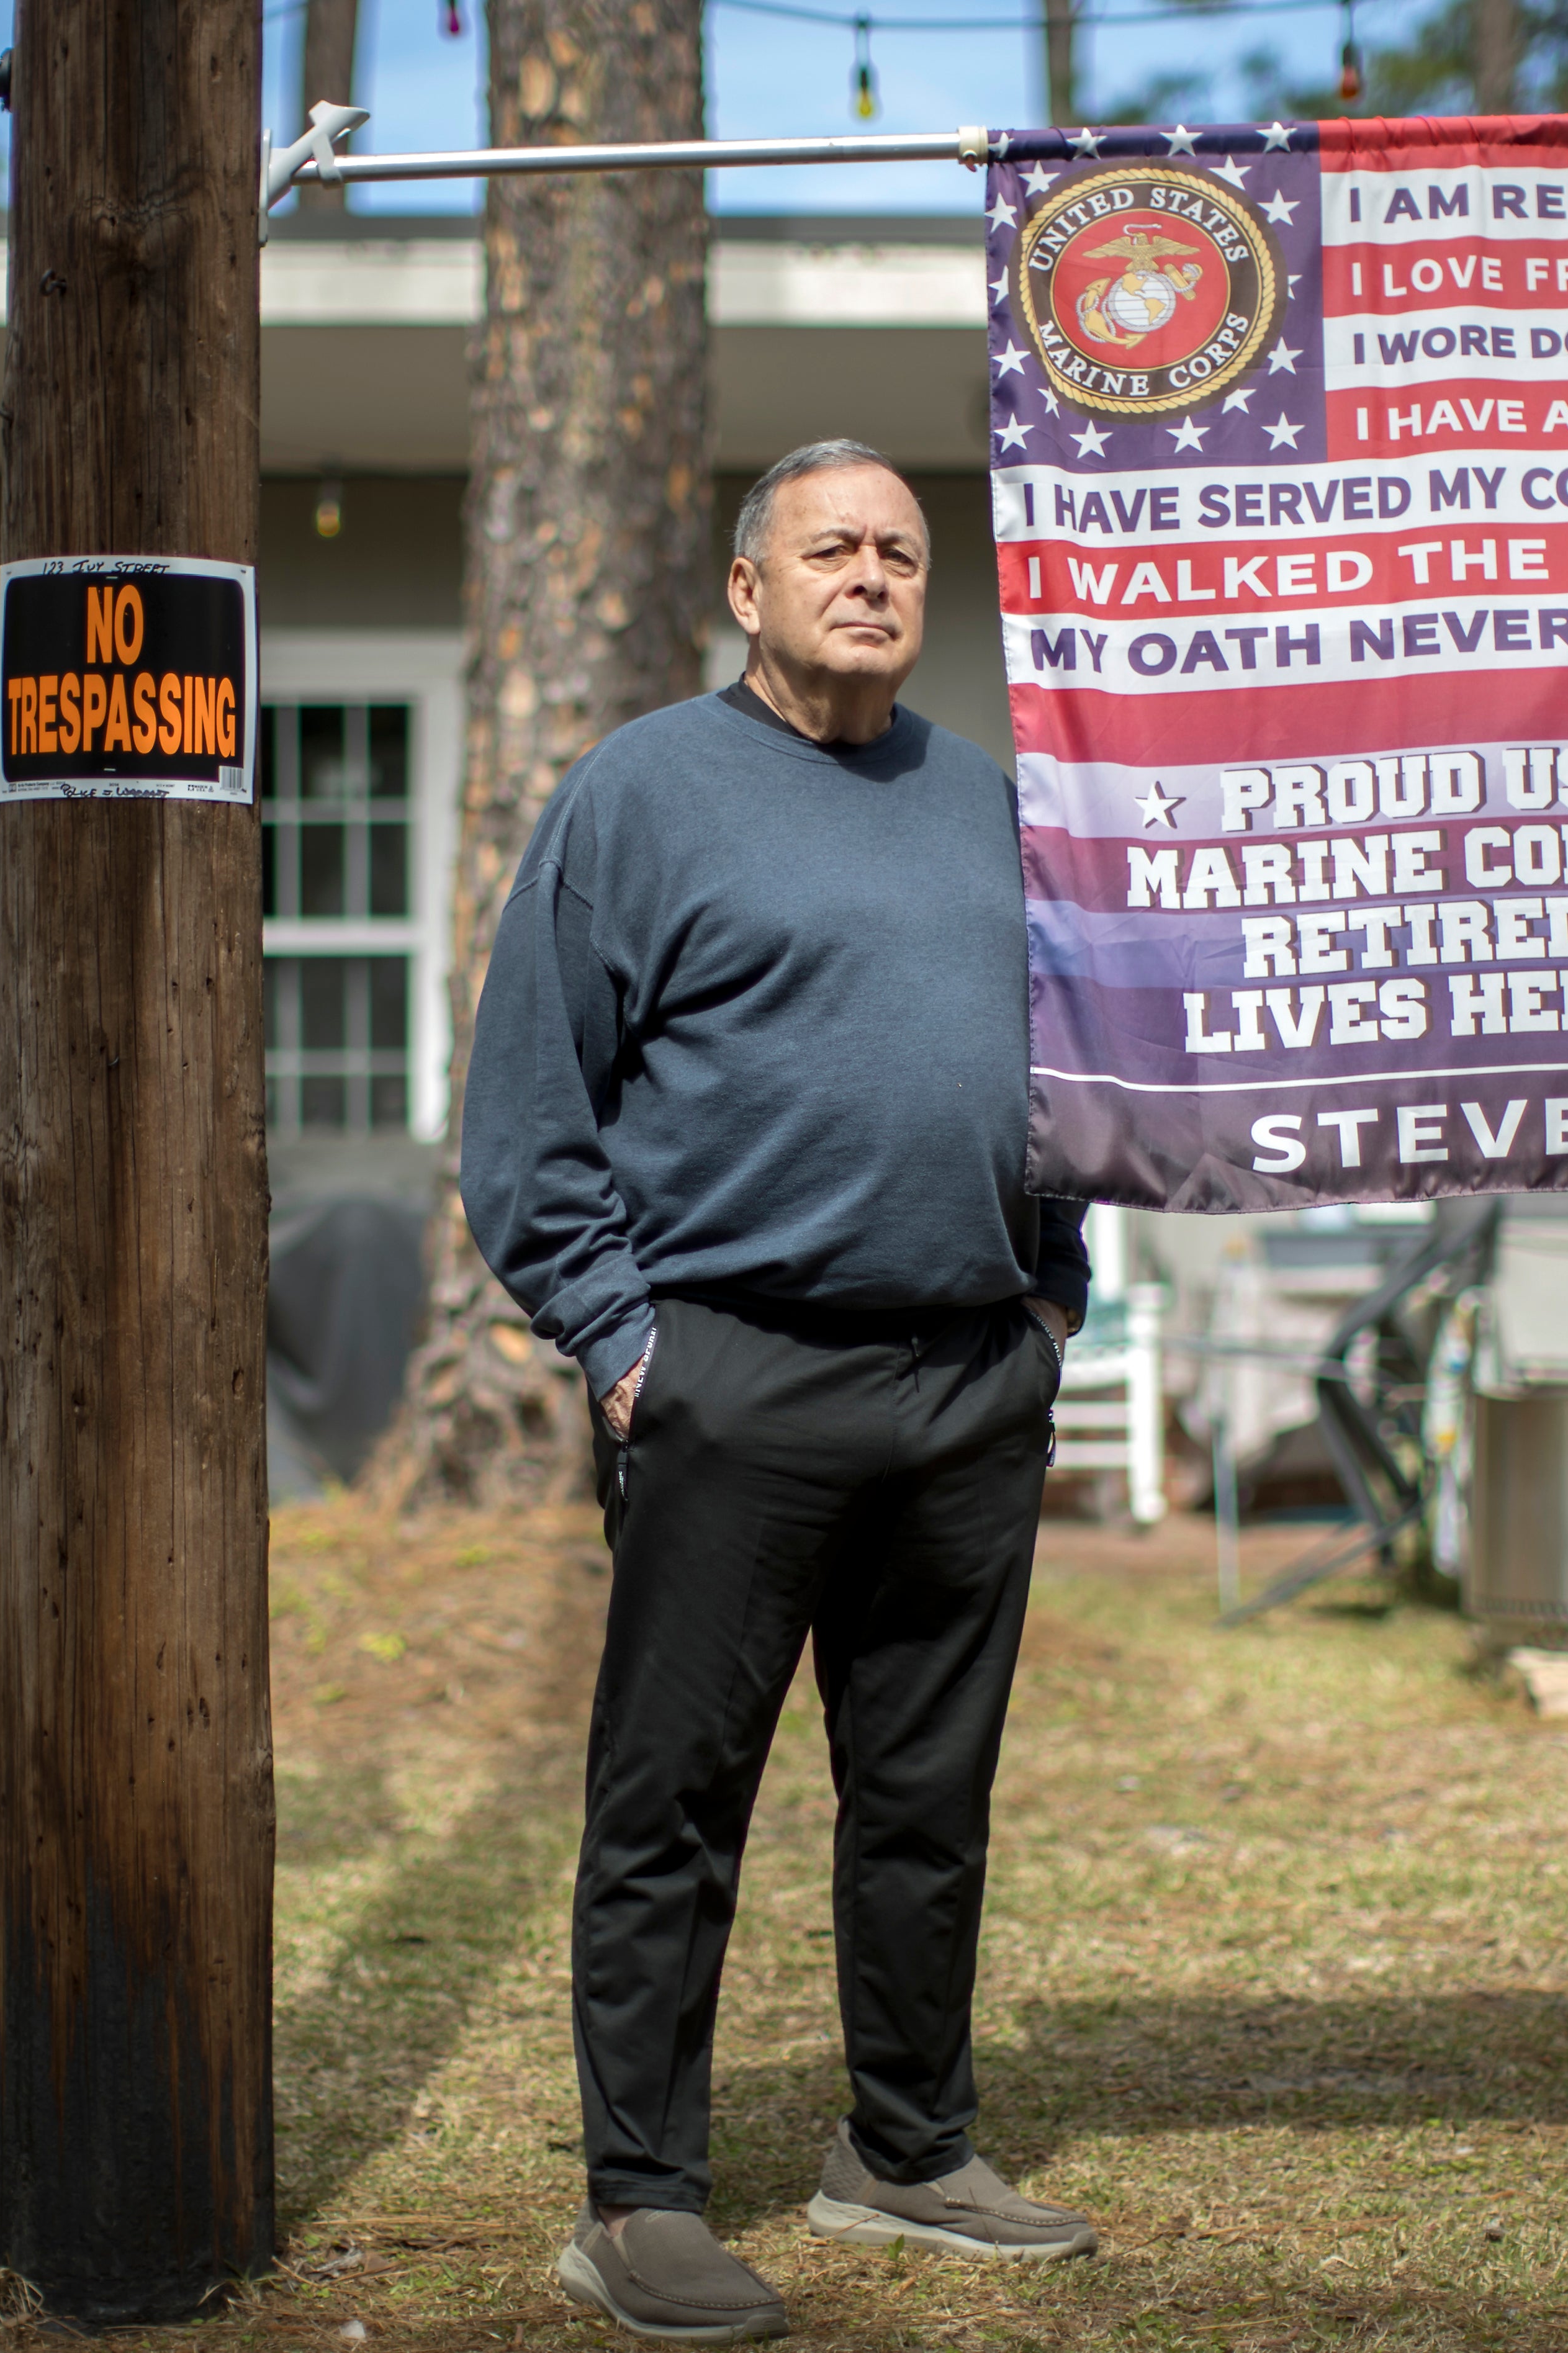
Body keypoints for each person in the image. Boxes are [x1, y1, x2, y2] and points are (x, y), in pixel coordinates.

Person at [462, 440, 1099, 2343]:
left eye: (904, 552)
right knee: (673, 1805)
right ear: (750, 588)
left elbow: (1069, 1071)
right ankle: (638, 2200)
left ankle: (905, 2148)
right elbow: (527, 1106)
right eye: (833, 548)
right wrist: (626, 1336)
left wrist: (1054, 1294)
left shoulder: (991, 801)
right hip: (732, 1375)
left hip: (972, 1379)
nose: (876, 578)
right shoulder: (645, 795)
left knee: (927, 1796)